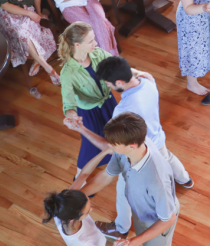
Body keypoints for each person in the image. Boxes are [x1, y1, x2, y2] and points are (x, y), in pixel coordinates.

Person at [64, 55, 193, 239]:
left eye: (108, 84)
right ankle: (185, 179)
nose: (108, 87)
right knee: (169, 158)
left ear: (118, 82)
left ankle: (121, 227)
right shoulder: (148, 80)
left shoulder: (123, 110)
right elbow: (138, 73)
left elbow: (110, 145)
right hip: (157, 139)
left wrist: (80, 128)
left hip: (138, 153)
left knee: (123, 192)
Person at [59, 22, 151, 177]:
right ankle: (79, 177)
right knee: (90, 146)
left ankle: (121, 162)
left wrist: (137, 73)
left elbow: (117, 67)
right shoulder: (67, 73)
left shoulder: (99, 54)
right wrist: (72, 117)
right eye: (90, 41)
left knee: (116, 137)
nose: (95, 43)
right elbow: (68, 104)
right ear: (77, 45)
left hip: (108, 104)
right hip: (89, 113)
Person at [74, 112, 180, 246]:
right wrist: (77, 197)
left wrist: (133, 241)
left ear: (132, 145)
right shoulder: (126, 150)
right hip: (141, 210)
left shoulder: (157, 179)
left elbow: (168, 219)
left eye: (113, 144)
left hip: (159, 219)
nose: (109, 146)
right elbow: (106, 176)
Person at [43, 147, 115, 246]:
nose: (91, 209)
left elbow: (83, 174)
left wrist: (106, 151)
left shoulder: (63, 205)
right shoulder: (84, 242)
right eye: (87, 212)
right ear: (74, 218)